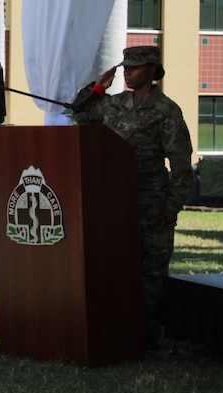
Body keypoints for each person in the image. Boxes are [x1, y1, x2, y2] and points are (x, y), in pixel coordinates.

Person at [72, 45, 193, 350]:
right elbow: (81, 113)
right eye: (125, 67)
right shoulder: (114, 105)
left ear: (153, 71)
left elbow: (180, 163)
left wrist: (171, 205)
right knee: (117, 266)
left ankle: (152, 335)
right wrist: (99, 85)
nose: (128, 72)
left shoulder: (166, 111)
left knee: (152, 270)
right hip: (115, 200)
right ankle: (122, 330)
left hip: (152, 201)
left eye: (135, 67)